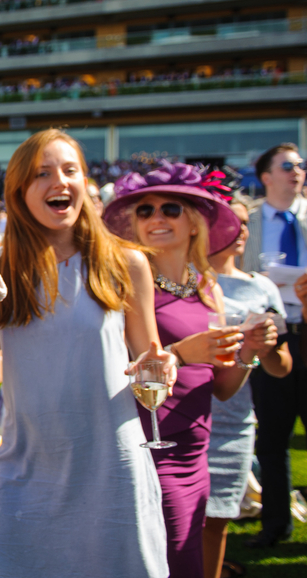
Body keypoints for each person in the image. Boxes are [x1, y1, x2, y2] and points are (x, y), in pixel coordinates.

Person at [0, 128, 171, 578]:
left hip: (109, 468)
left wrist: (161, 370)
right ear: (19, 191)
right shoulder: (1, 266)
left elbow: (149, 357)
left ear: (85, 182)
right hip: (24, 466)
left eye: (70, 170)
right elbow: (2, 337)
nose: (59, 181)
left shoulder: (127, 263)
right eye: (42, 173)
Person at [103, 161, 277, 577]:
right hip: (151, 444)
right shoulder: (120, 284)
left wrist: (250, 352)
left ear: (195, 222)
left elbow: (221, 386)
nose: (156, 218)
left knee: (188, 561)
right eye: (144, 210)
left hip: (198, 449)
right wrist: (182, 352)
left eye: (169, 209)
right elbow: (127, 367)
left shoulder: (208, 286)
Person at [204, 193, 292, 578]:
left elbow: (281, 367)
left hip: (232, 423)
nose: (239, 230)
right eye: (229, 220)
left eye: (245, 223)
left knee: (216, 524)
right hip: (179, 419)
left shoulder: (264, 289)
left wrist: (264, 348)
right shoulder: (176, 280)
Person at [239, 142, 307, 548]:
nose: (296, 171)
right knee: (273, 436)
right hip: (270, 335)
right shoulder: (247, 222)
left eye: (300, 165)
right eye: (287, 165)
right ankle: (276, 525)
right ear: (266, 177)